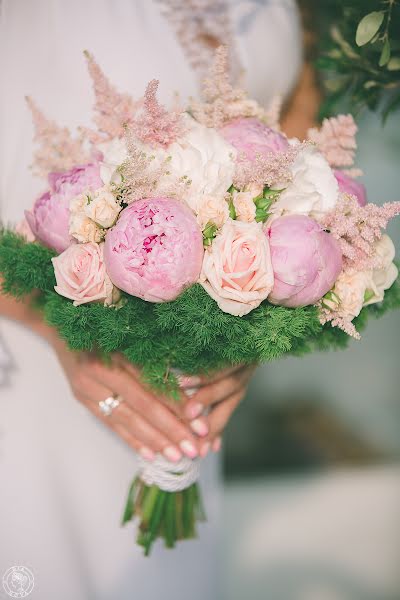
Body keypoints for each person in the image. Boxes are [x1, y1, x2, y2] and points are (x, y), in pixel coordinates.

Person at [0, 1, 314, 598]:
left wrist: (257, 303)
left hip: (180, 377)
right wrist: (52, 318)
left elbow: (298, 106)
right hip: (36, 359)